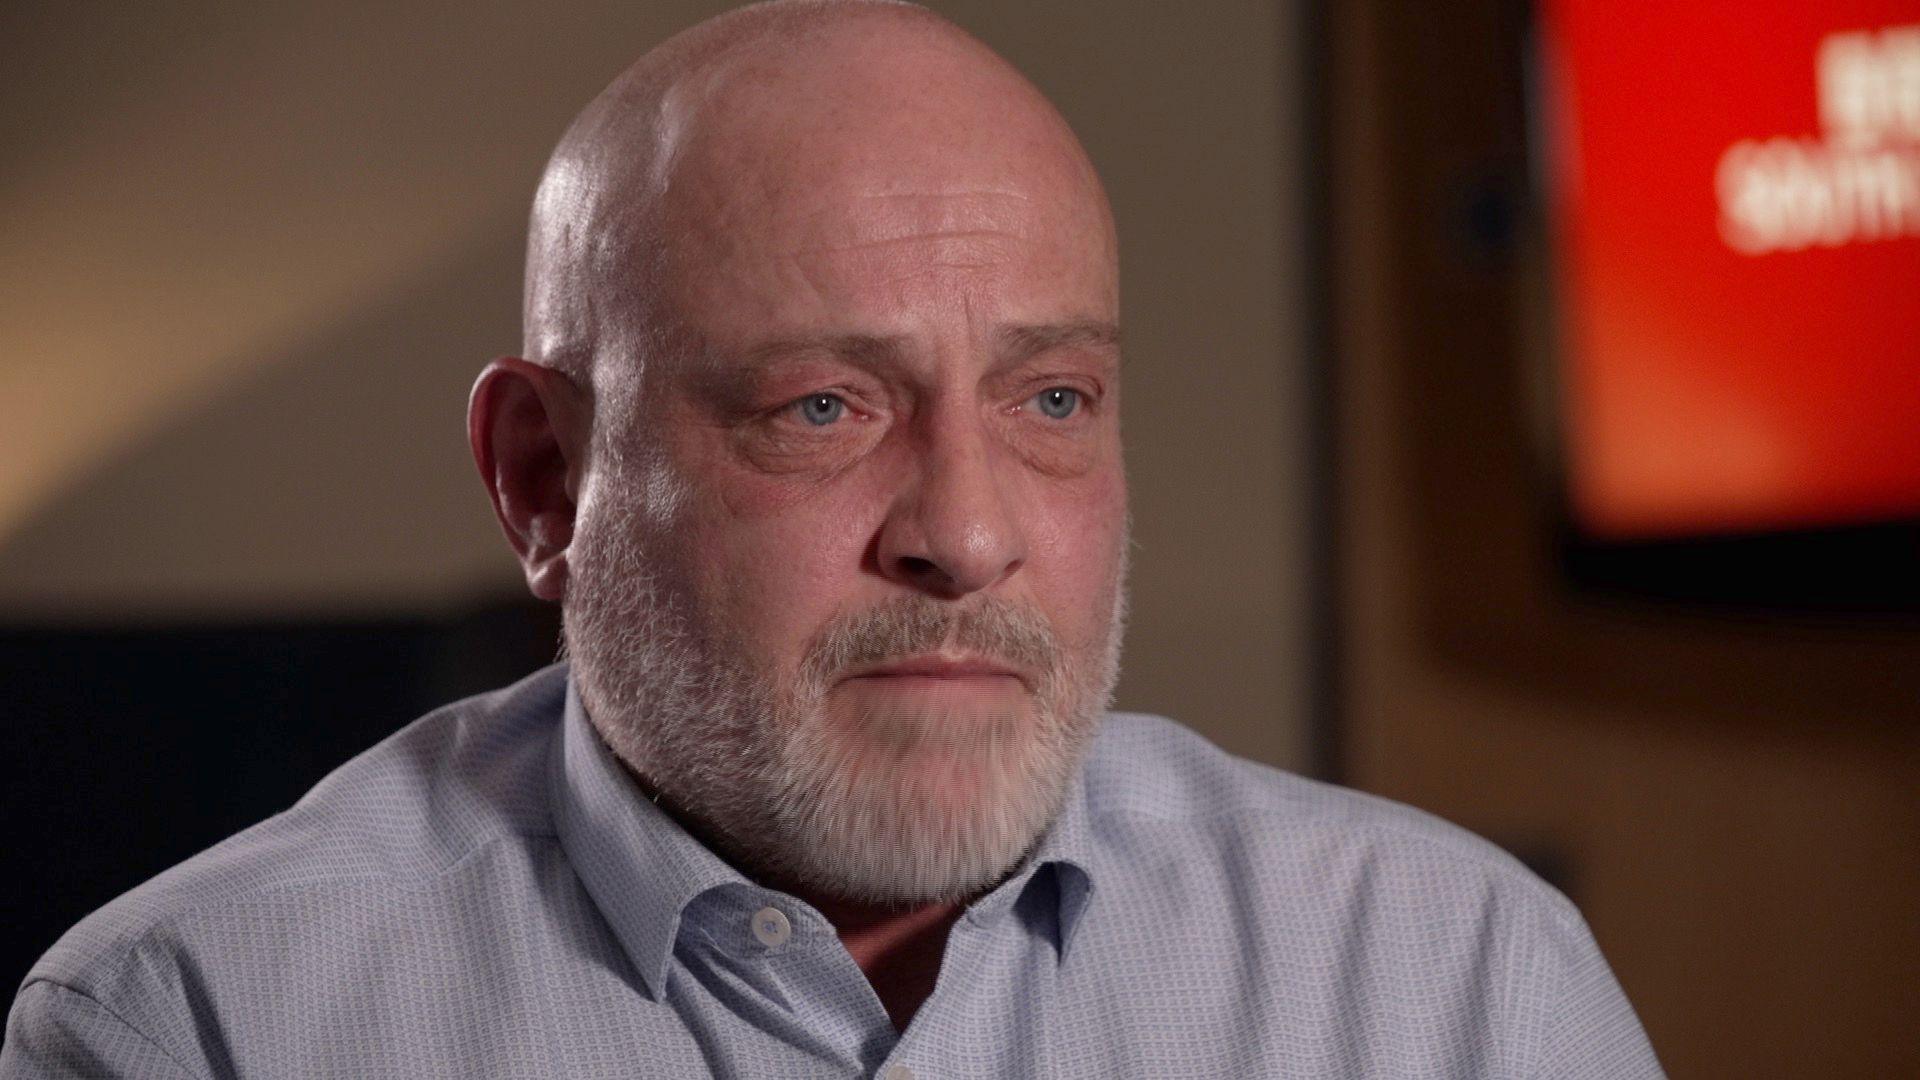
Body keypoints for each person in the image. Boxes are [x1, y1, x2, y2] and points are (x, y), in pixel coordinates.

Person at [2, 2, 1663, 1076]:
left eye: (1054, 401)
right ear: (542, 483)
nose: (966, 532)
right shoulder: (201, 1027)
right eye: (825, 409)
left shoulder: (1452, 990)